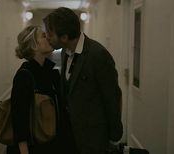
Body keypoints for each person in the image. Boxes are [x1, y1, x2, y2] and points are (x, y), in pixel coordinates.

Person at [43, 7, 123, 154]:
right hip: (71, 136)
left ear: (65, 37)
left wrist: (114, 138)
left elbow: (112, 98)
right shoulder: (64, 52)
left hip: (94, 139)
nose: (46, 36)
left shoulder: (98, 55)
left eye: (50, 33)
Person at [7, 25, 64, 154]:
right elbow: (19, 118)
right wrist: (24, 151)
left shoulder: (50, 72)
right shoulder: (24, 75)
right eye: (44, 36)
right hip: (33, 147)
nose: (48, 37)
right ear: (34, 45)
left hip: (49, 143)